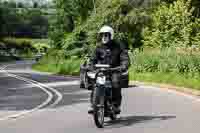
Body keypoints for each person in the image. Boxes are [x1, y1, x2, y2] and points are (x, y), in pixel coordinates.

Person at [88, 25, 129, 114]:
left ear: (111, 35)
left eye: (106, 35)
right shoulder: (98, 47)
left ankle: (115, 105)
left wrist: (123, 65)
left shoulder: (118, 46)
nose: (104, 37)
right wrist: (91, 66)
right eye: (102, 35)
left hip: (114, 70)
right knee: (95, 83)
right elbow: (92, 59)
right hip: (101, 70)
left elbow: (125, 58)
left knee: (115, 82)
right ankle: (93, 104)